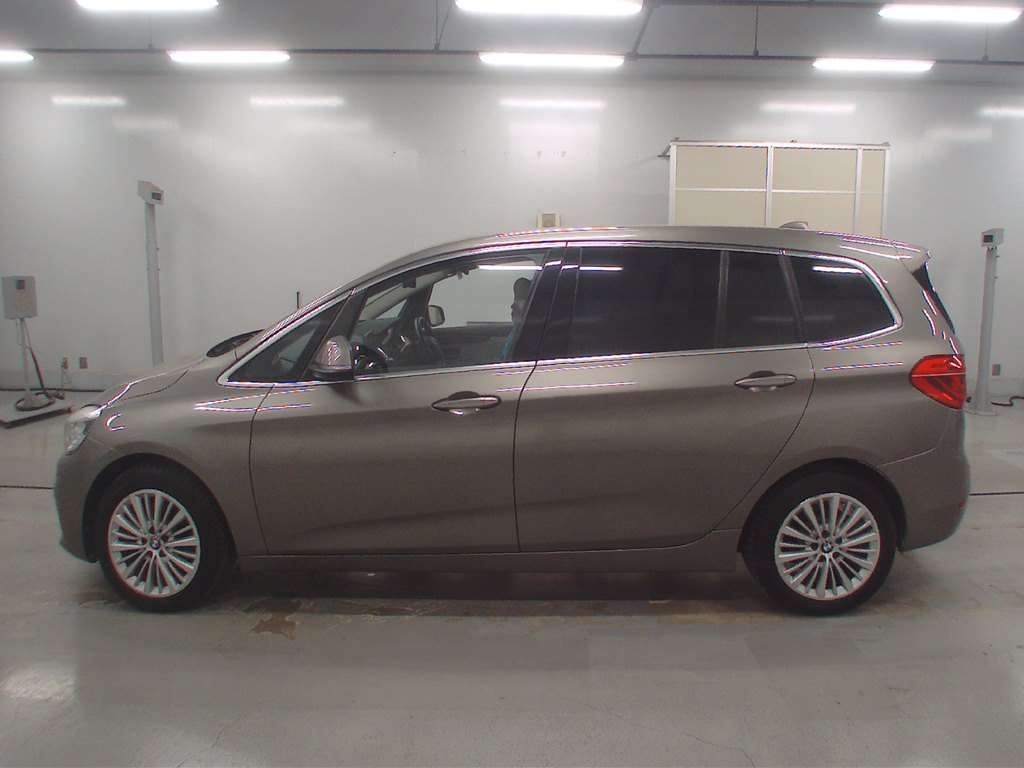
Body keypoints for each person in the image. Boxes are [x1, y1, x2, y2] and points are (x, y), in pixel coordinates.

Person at [500, 277, 533, 360]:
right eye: (516, 298)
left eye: (521, 298)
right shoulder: (516, 331)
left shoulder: (532, 339)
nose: (512, 305)